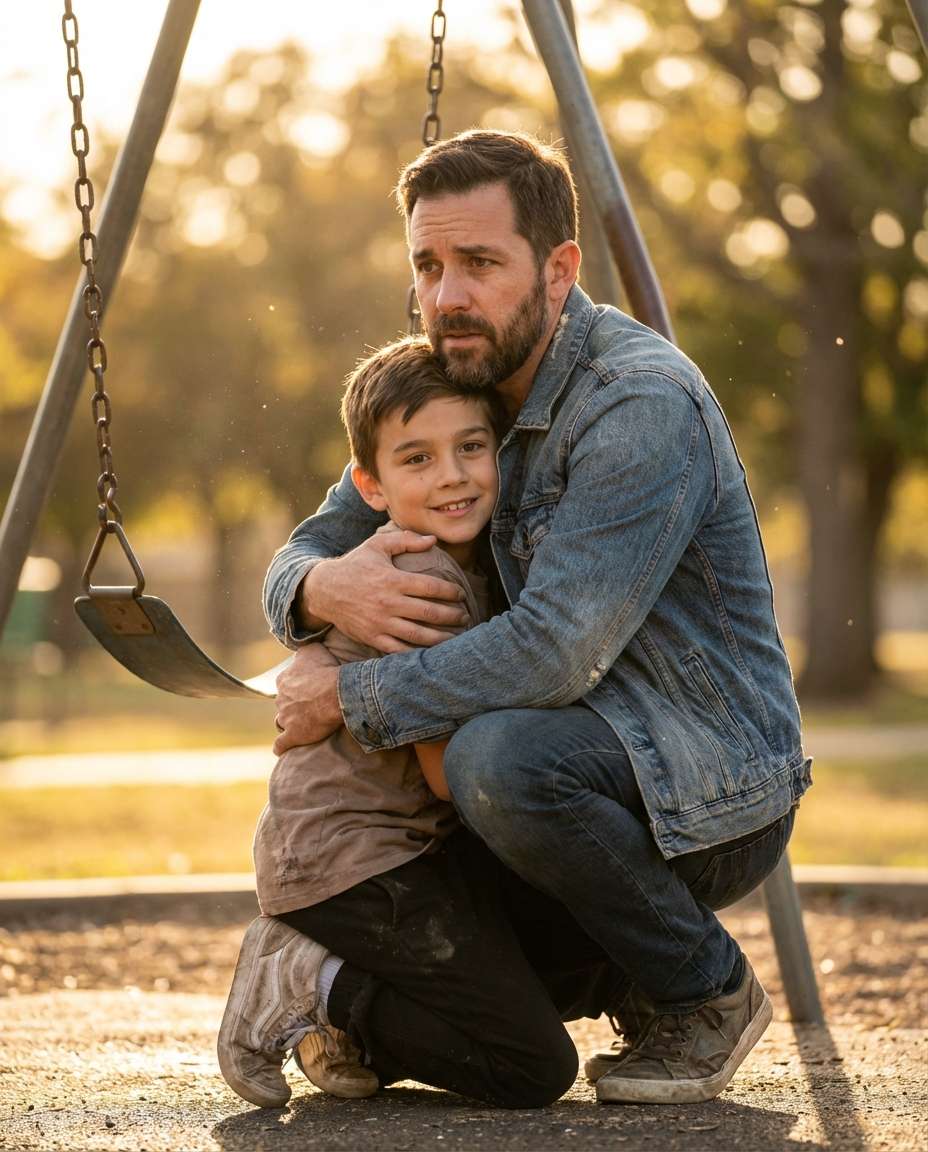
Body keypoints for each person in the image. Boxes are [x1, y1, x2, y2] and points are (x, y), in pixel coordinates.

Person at [263, 129, 812, 1106]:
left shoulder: (634, 405)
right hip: (559, 776)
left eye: (479, 264)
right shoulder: (449, 385)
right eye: (427, 266)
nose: (446, 297)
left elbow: (557, 651)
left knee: (496, 760)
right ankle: (328, 988)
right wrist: (318, 590)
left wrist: (351, 692)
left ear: (559, 270)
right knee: (484, 960)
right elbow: (308, 544)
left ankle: (701, 994)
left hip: (704, 781)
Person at [218, 337, 583, 1110]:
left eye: (471, 447)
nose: (452, 475)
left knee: (541, 961)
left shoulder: (462, 560)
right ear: (370, 487)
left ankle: (347, 1011)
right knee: (532, 1067)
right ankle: (313, 981)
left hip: (395, 849)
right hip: (353, 863)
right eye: (417, 460)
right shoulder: (421, 586)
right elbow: (449, 775)